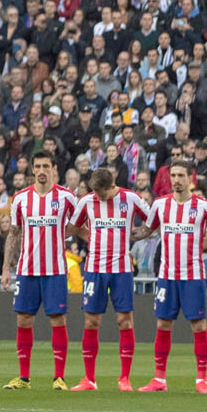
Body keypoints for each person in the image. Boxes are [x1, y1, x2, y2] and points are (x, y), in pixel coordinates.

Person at [0, 150, 84, 390]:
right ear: (32, 170)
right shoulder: (20, 198)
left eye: (45, 166)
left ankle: (59, 377)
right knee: (23, 319)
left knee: (57, 319)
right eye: (37, 166)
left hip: (55, 270)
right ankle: (24, 378)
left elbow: (79, 226)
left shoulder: (66, 197)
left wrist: (93, 243)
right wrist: (6, 269)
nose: (41, 171)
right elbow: (13, 233)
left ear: (54, 169)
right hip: (27, 270)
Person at [135, 160, 207, 393]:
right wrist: (123, 235)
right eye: (173, 175)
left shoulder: (203, 206)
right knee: (163, 323)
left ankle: (201, 380)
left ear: (190, 178)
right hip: (166, 275)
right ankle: (159, 379)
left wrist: (200, 246)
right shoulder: (160, 205)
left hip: (193, 275)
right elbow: (148, 230)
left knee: (198, 325)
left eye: (180, 175)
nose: (176, 179)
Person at [69, 167, 150, 391]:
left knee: (124, 321)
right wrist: (90, 234)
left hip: (121, 269)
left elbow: (152, 221)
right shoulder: (86, 202)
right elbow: (74, 227)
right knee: (91, 321)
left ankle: (124, 378)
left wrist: (137, 235)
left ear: (111, 186)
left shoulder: (131, 198)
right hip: (94, 269)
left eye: (101, 193)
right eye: (95, 193)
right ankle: (89, 379)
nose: (98, 197)